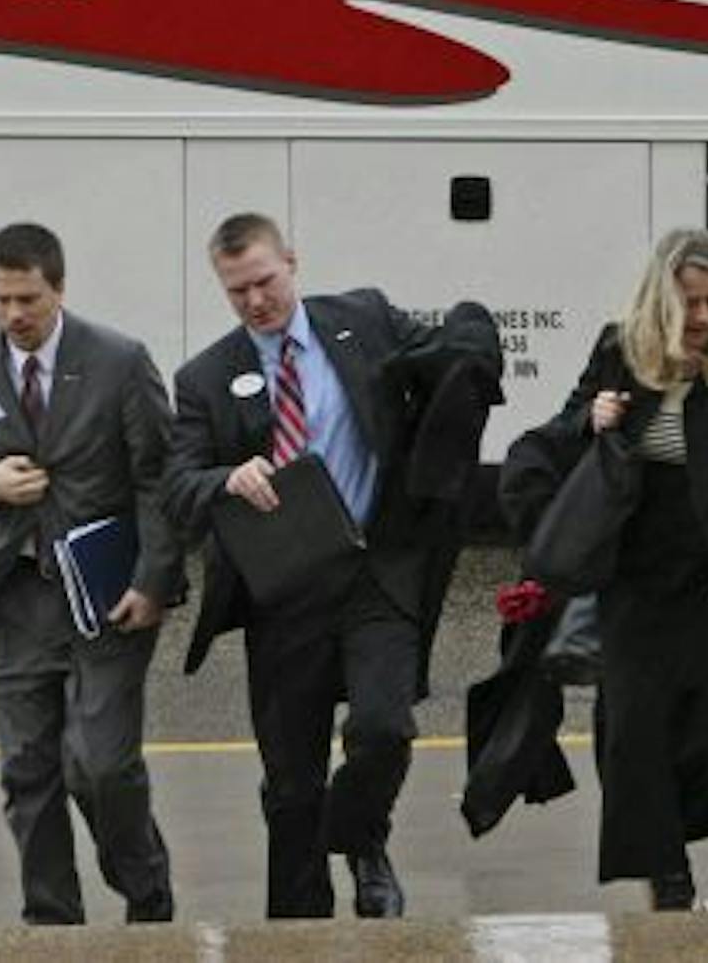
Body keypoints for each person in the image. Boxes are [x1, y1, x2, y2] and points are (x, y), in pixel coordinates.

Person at [164, 212, 500, 919]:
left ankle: (363, 840)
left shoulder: (364, 319)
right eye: (237, 292)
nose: (256, 301)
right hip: (284, 592)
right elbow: (176, 483)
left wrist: (476, 348)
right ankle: (297, 930)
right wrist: (224, 480)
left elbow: (451, 349)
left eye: (264, 281)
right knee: (292, 789)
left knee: (384, 730)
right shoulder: (205, 378)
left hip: (375, 574)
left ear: (292, 261)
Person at [0, 222, 179, 925]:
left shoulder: (120, 360)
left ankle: (146, 892)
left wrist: (154, 580)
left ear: (59, 289)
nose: (13, 316)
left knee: (99, 766)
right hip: (14, 596)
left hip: (105, 597)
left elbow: (158, 479)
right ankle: (51, 924)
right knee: (26, 773)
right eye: (1, 300)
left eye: (27, 299)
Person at [557, 229, 708, 911]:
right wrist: (591, 418)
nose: (700, 318)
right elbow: (562, 432)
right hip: (637, 578)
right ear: (658, 300)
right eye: (687, 303)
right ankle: (670, 885)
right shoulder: (618, 352)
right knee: (632, 729)